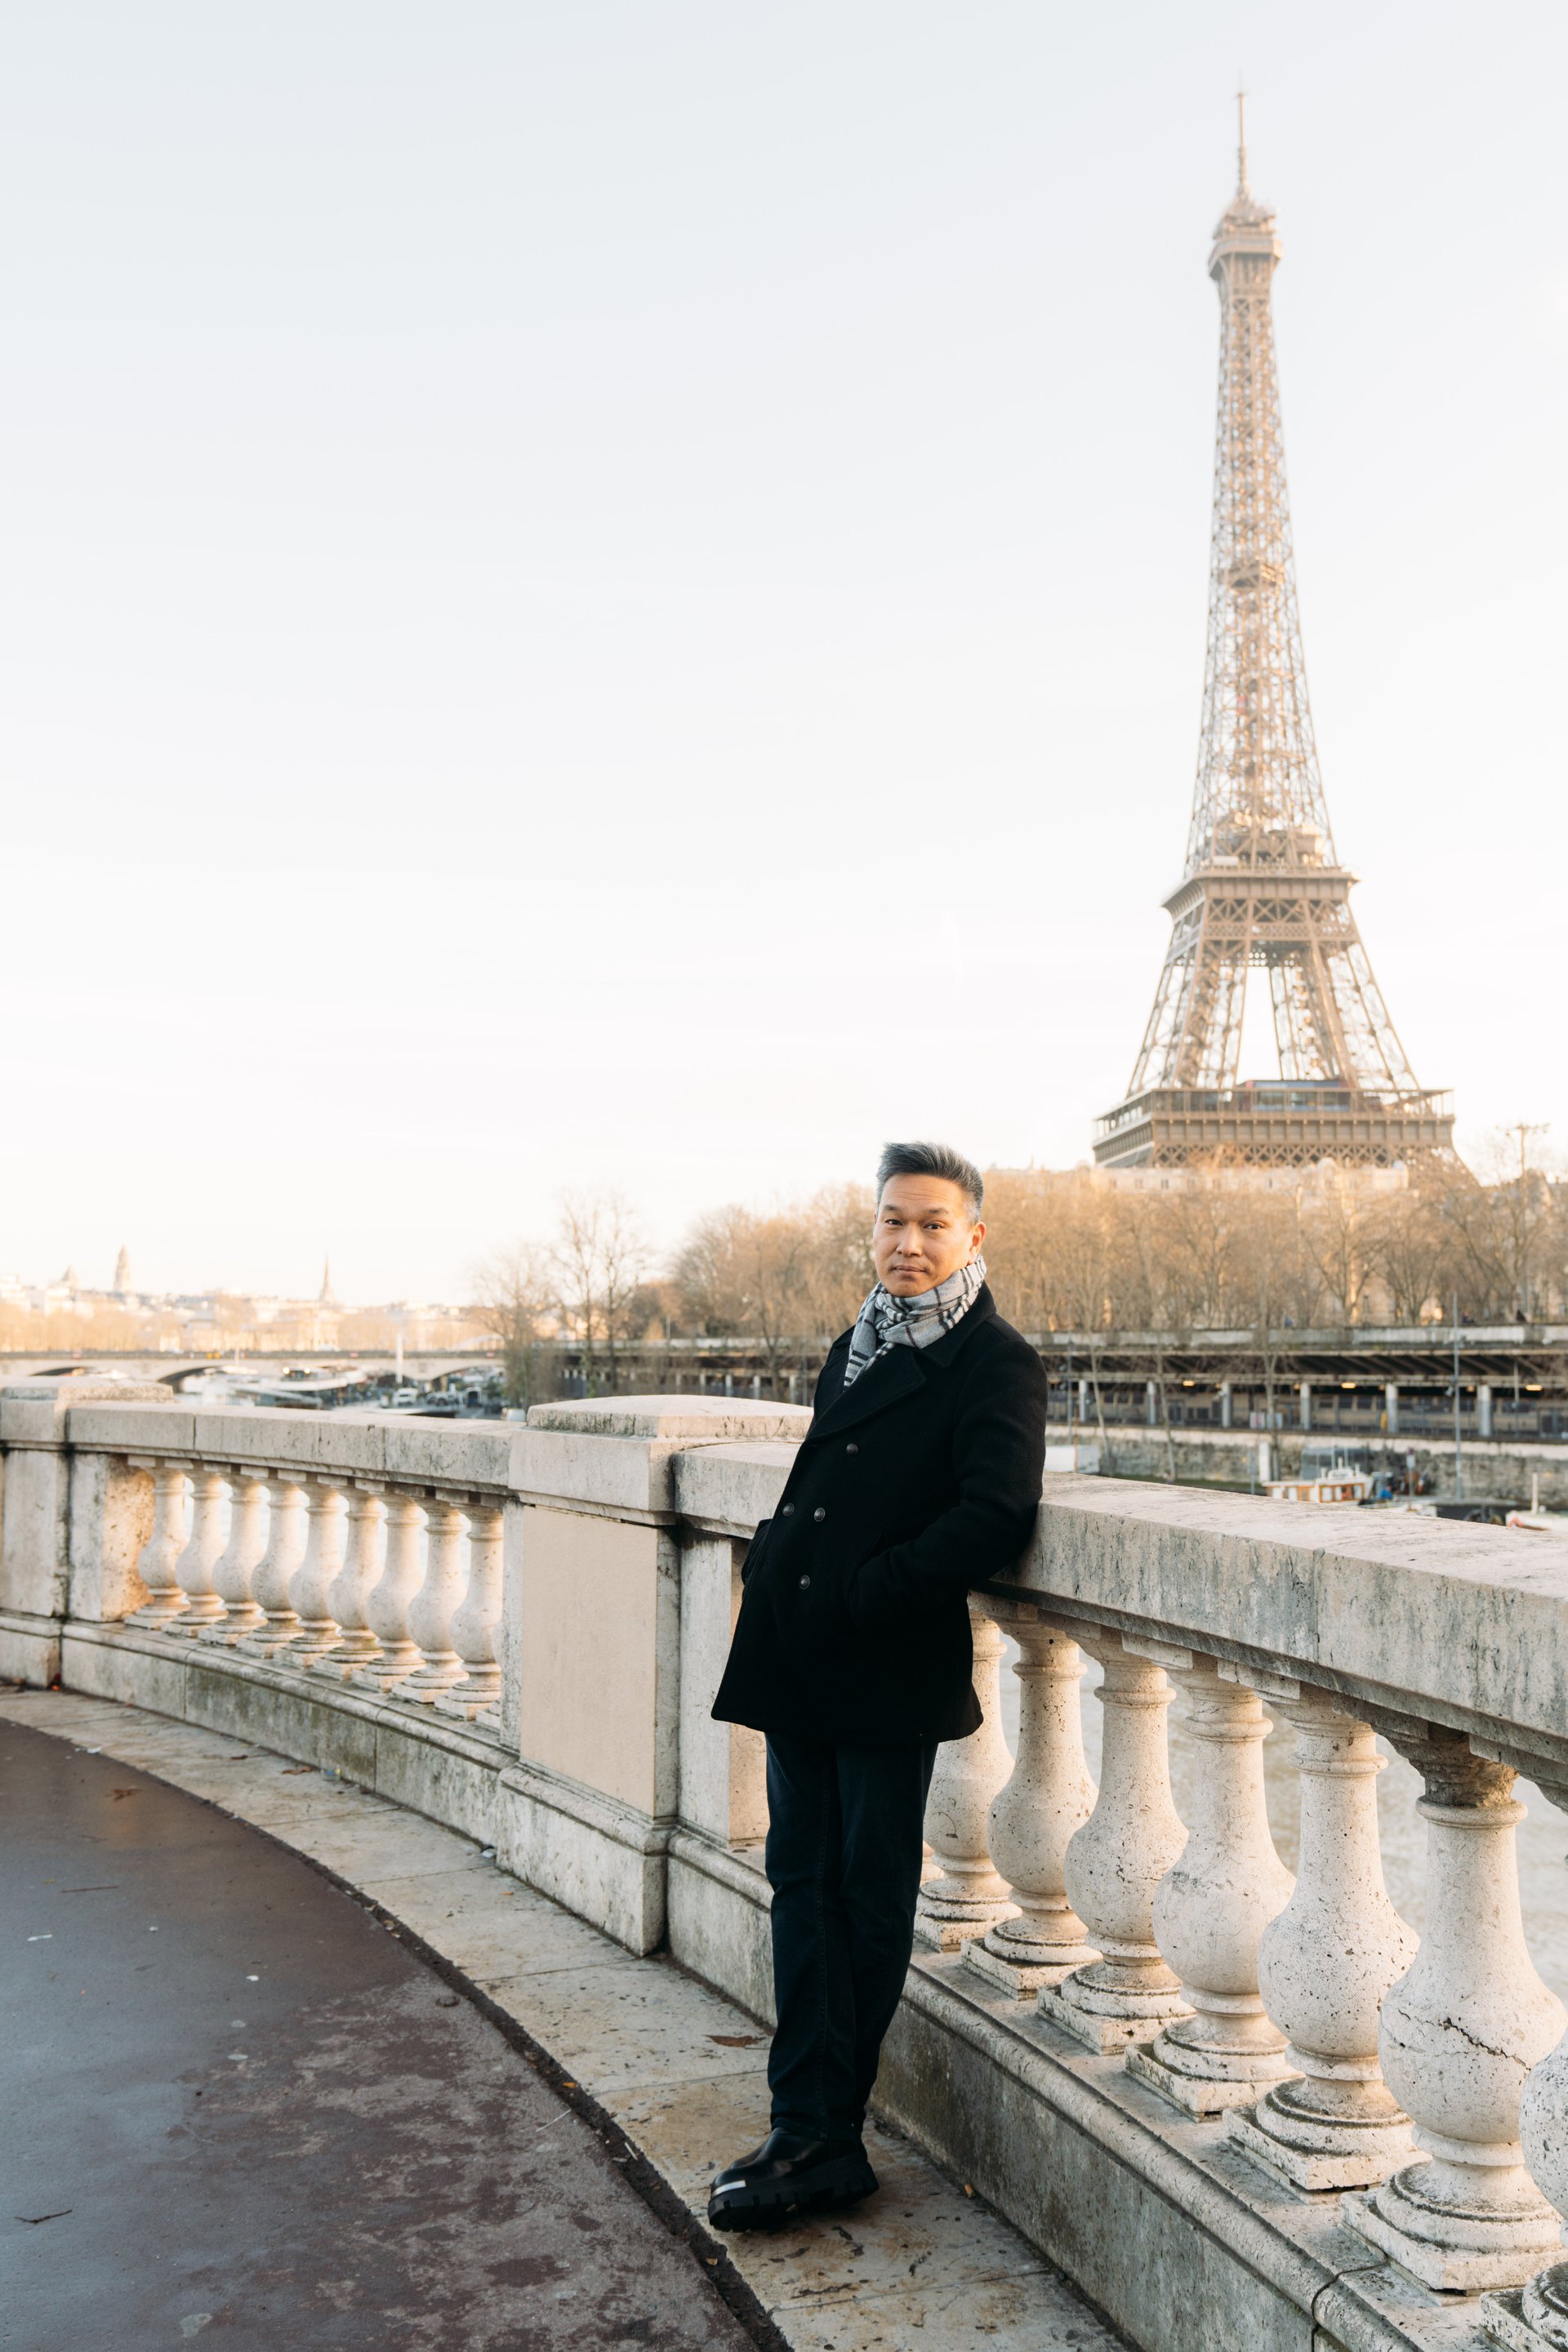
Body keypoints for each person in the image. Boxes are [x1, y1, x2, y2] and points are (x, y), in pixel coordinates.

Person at [706, 1141, 1048, 2229]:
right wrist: (779, 1554)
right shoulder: (854, 1342)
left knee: (864, 1898)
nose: (909, 1242)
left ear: (973, 1235)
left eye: (932, 1224)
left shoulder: (995, 1361)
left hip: (880, 1658)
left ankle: (825, 2135)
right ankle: (802, 2123)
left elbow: (998, 1514)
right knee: (800, 1886)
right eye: (893, 1221)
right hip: (802, 1649)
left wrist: (871, 1590)